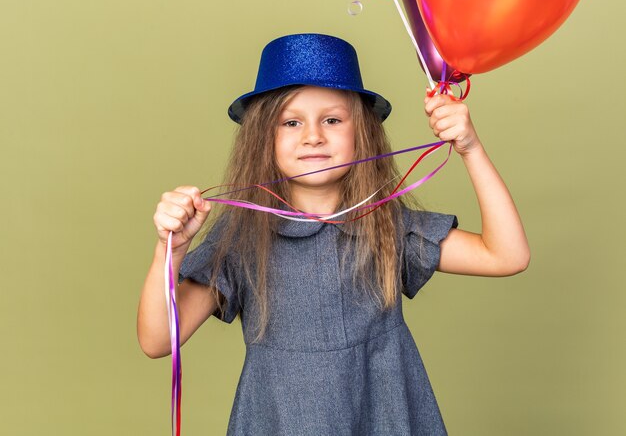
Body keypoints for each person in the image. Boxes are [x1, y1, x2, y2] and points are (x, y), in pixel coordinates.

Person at [137, 33, 530, 435]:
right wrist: (170, 251)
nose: (313, 136)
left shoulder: (386, 225)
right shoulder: (241, 238)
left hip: (385, 418)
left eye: (332, 119)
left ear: (361, 131)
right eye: (291, 122)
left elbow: (507, 256)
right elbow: (156, 341)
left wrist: (471, 148)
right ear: (262, 137)